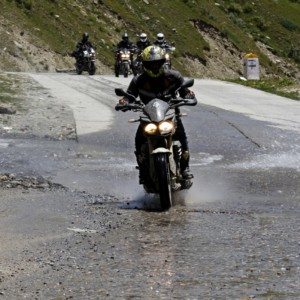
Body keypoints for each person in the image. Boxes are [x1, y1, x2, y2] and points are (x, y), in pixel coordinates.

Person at [118, 45, 197, 183]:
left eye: (157, 63)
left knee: (182, 139)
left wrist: (189, 95)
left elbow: (184, 90)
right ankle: (143, 172)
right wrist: (124, 101)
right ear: (144, 65)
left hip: (170, 115)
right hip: (148, 117)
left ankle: (185, 169)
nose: (154, 67)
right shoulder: (138, 80)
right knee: (139, 141)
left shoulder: (173, 76)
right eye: (150, 64)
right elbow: (130, 95)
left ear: (163, 62)